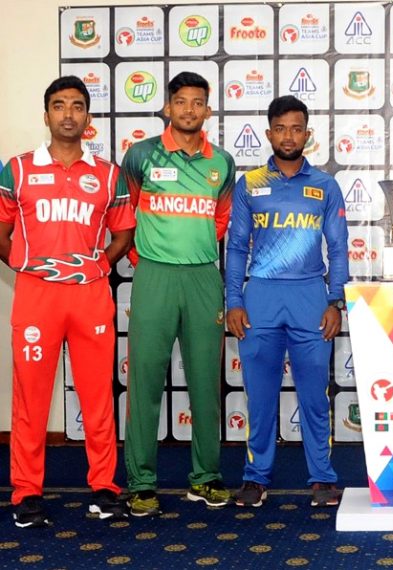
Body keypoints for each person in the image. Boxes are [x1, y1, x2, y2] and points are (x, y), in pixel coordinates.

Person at [0, 76, 134, 527]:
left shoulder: (108, 174)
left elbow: (123, 234)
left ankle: (104, 487)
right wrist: (27, 265)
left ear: (88, 117)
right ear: (47, 115)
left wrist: (97, 266)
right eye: (59, 106)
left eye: (77, 106)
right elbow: (1, 231)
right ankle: (26, 492)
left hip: (89, 296)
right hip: (36, 297)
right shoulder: (18, 170)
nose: (68, 114)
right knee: (31, 399)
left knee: (97, 396)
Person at [119, 72, 236, 516]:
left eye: (198, 102)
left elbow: (220, 219)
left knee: (206, 381)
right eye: (181, 102)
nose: (189, 109)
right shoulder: (141, 155)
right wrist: (145, 259)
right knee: (145, 381)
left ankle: (205, 478)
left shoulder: (221, 162)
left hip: (203, 278)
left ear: (208, 110)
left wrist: (195, 251)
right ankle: (141, 484)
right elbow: (126, 214)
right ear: (168, 108)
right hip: (155, 276)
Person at [226, 95, 348, 508]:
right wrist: (234, 300)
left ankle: (322, 478)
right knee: (260, 398)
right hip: (260, 297)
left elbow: (339, 248)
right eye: (280, 129)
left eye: (296, 129)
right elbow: (236, 247)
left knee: (315, 396)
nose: (288, 136)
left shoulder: (325, 186)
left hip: (310, 297)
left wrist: (335, 301)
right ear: (269, 134)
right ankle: (255, 477)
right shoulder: (250, 184)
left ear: (307, 134)